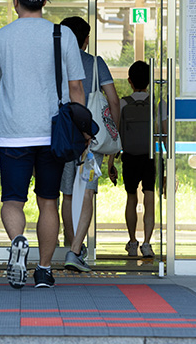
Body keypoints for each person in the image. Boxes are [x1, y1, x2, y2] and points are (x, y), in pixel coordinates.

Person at [0, 0, 85, 289]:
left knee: (12, 201)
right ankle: (43, 269)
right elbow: (76, 88)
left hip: (14, 133)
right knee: (48, 202)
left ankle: (17, 241)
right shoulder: (63, 35)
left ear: (14, 1)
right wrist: (82, 132)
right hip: (53, 133)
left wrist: (14, 115)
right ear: (44, 1)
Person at [58, 17, 120, 273]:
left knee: (67, 194)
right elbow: (114, 101)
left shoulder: (55, 64)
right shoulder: (95, 63)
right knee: (87, 192)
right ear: (85, 40)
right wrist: (111, 133)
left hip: (62, 137)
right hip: (91, 142)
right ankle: (74, 250)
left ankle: (73, 246)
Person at [114, 60, 167, 258]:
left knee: (131, 198)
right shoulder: (155, 104)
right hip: (149, 156)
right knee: (150, 198)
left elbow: (116, 132)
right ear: (149, 81)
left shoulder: (123, 103)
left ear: (129, 81)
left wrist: (112, 161)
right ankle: (147, 243)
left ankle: (132, 241)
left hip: (129, 156)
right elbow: (164, 130)